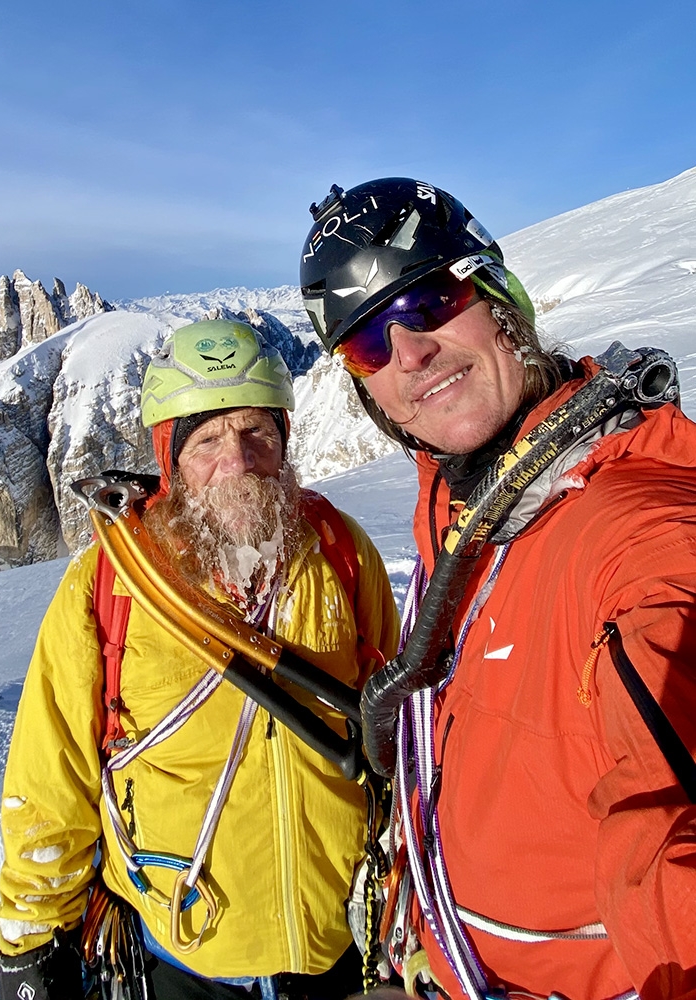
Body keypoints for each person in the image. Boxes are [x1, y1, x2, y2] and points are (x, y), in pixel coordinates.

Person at [299, 178, 696, 1000]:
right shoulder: (464, 516)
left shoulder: (640, 532)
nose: (410, 353)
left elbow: (672, 837)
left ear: (497, 295)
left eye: (432, 299)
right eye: (369, 344)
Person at [0, 319, 400, 1000]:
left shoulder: (338, 551)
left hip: (332, 952)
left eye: (257, 434)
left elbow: (396, 728)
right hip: (183, 962)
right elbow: (49, 775)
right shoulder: (112, 585)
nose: (237, 462)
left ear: (285, 441)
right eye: (207, 441)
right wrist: (33, 939)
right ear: (170, 459)